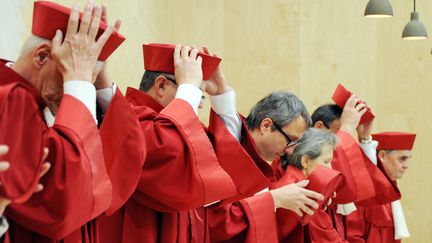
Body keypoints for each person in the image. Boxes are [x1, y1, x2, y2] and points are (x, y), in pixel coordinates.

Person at [1, 1, 145, 242]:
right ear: (42, 56)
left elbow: (126, 161)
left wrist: (97, 76)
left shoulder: (59, 94)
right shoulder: (8, 102)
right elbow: (64, 202)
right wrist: (77, 79)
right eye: (72, 67)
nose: (77, 86)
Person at [207, 91, 328, 242]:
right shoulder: (220, 154)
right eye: (290, 140)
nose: (290, 150)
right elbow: (211, 223)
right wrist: (273, 199)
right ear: (266, 125)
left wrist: (305, 200)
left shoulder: (259, 163)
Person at [274, 128, 342, 242]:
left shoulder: (290, 182)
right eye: (326, 161)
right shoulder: (302, 192)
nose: (331, 168)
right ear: (305, 161)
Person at [346, 131, 415, 243]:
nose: (406, 165)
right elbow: (352, 236)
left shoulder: (391, 190)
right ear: (382, 156)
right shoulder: (364, 191)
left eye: (408, 159)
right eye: (402, 159)